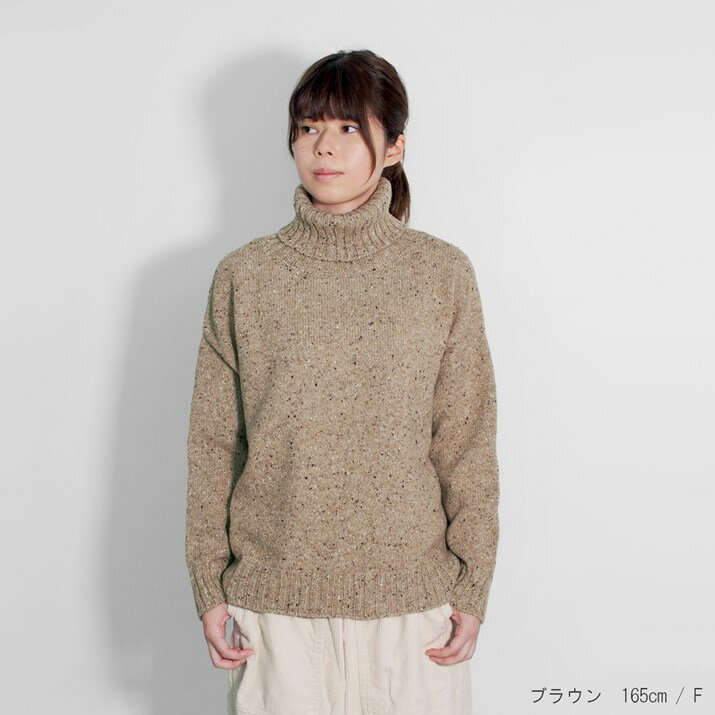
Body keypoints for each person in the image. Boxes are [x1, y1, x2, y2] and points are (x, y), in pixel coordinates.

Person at [185, 48, 500, 715]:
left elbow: (466, 441)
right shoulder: (245, 277)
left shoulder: (441, 274)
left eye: (348, 127)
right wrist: (208, 585)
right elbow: (213, 445)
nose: (323, 146)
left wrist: (473, 586)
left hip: (416, 615)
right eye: (308, 127)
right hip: (273, 614)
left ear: (394, 147)